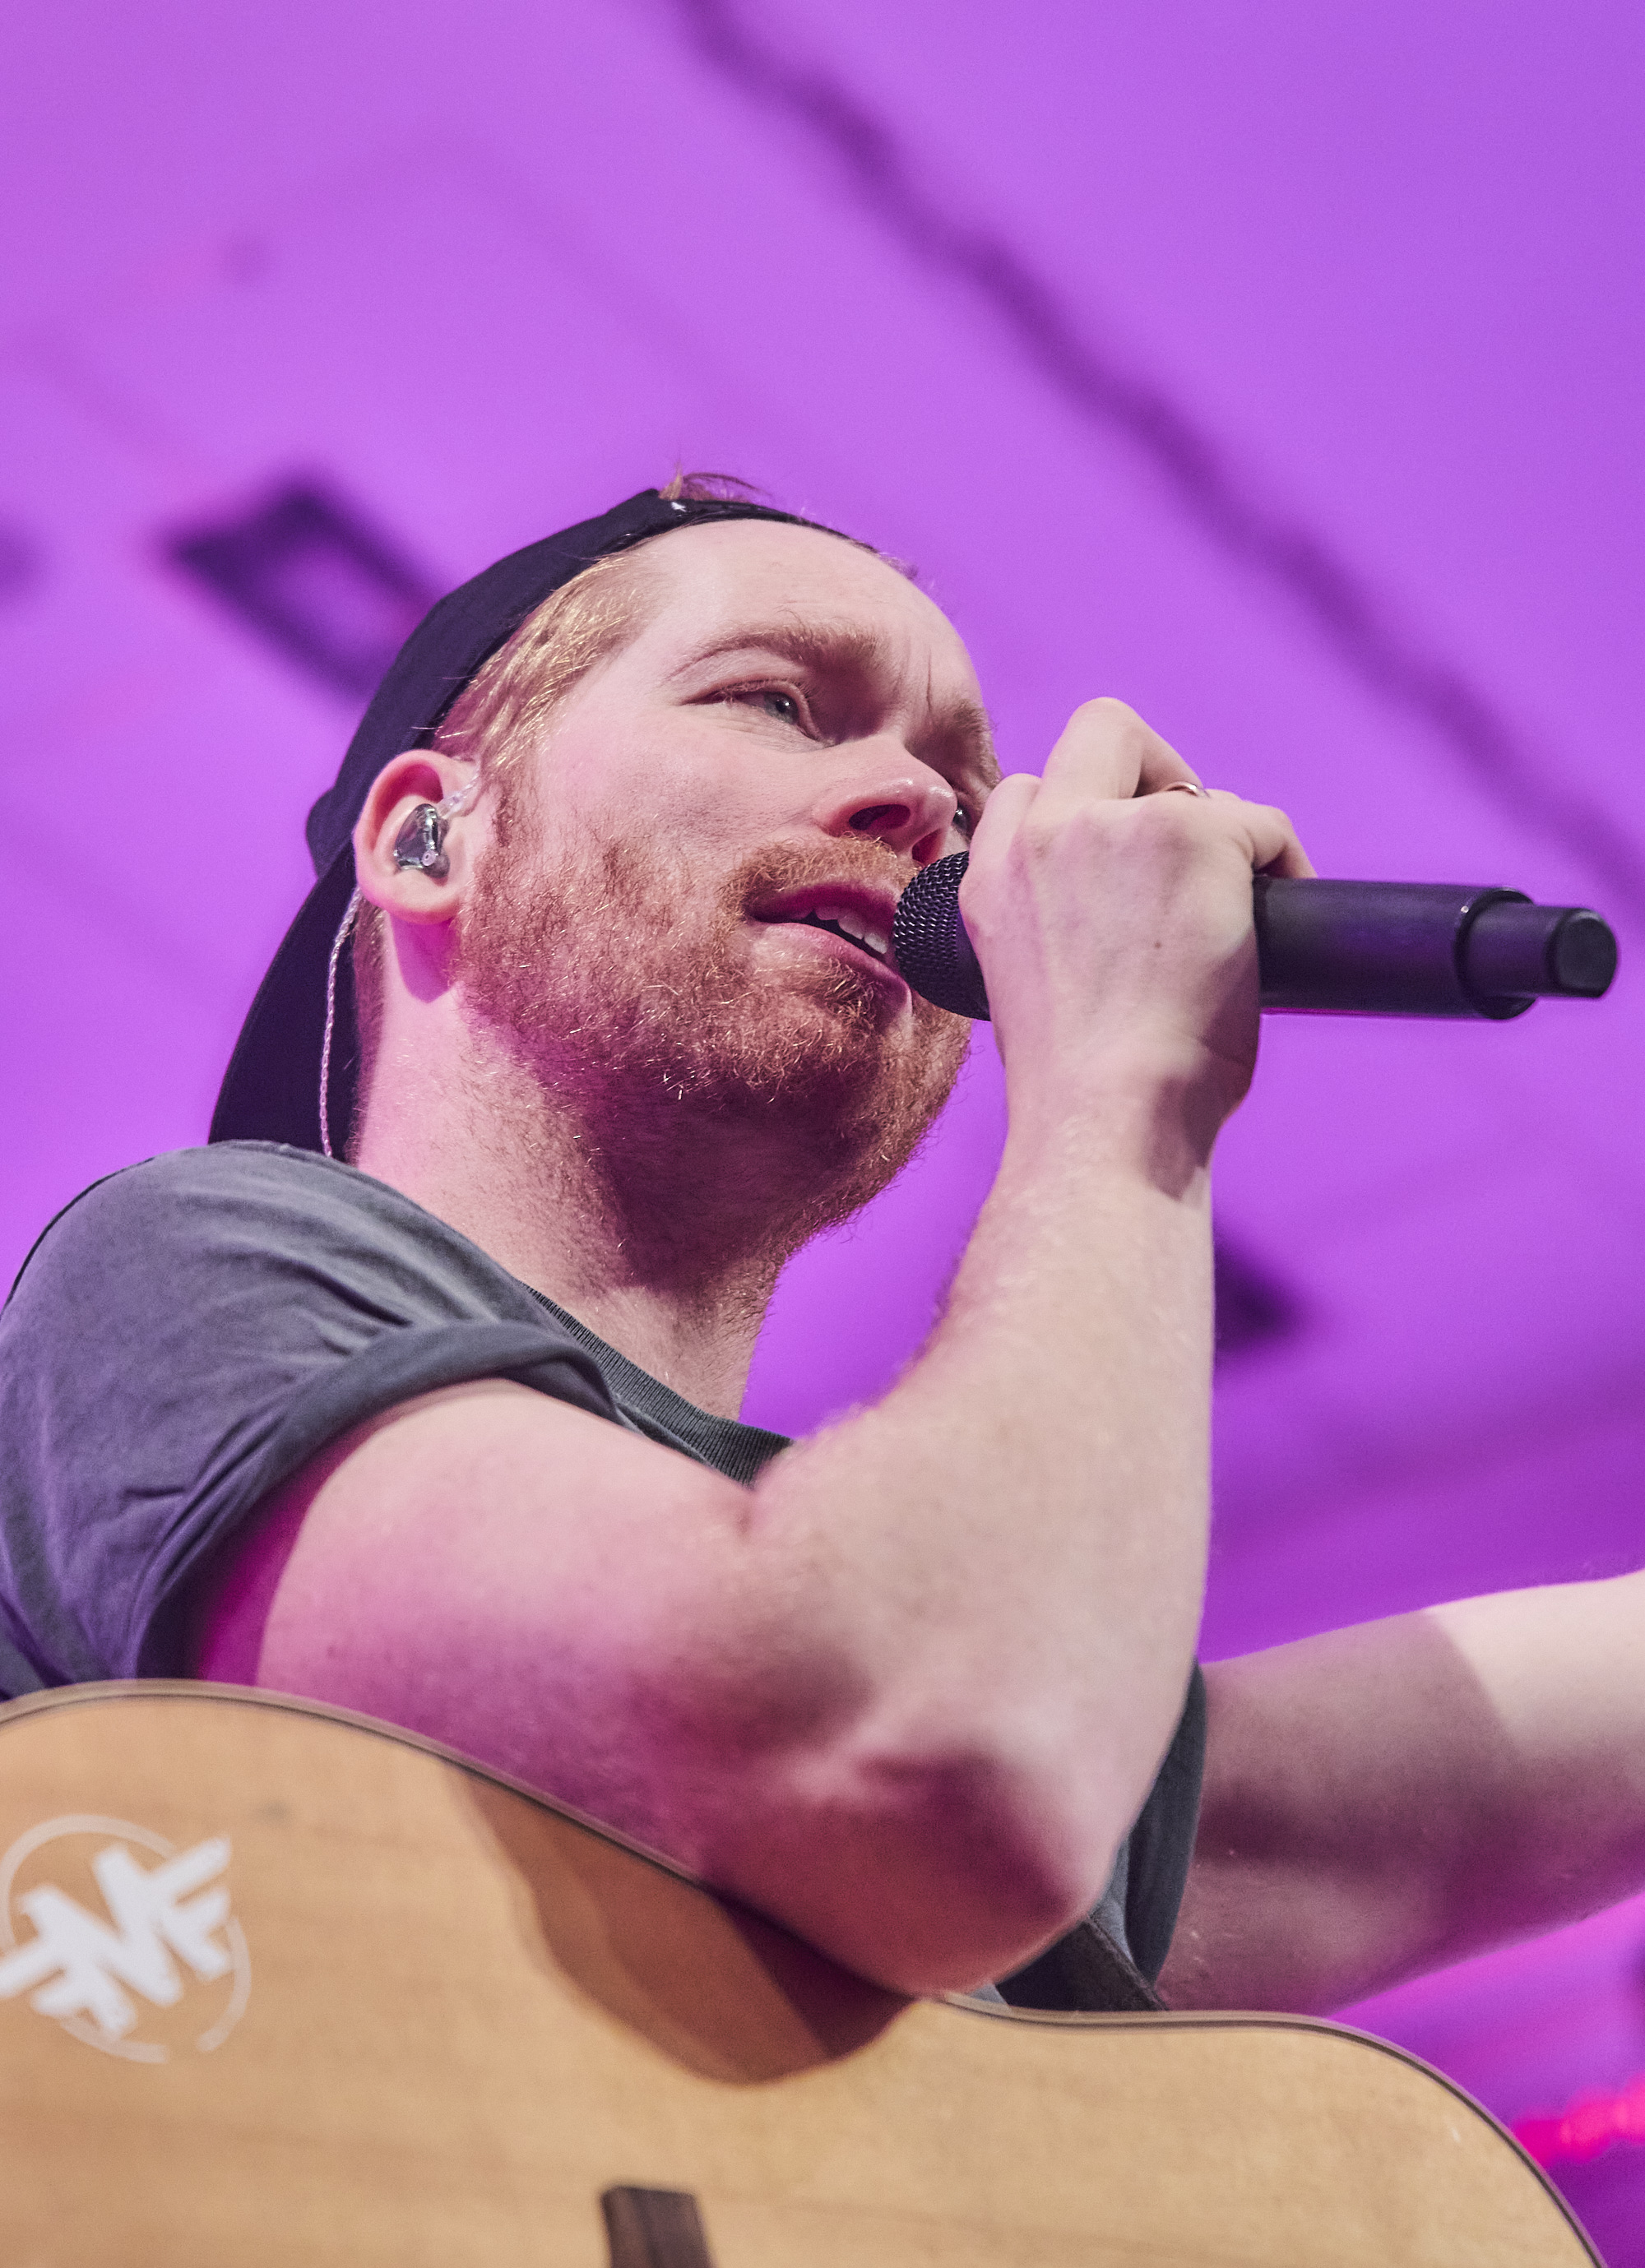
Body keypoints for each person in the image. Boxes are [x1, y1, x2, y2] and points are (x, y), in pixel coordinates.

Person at [2, 479, 1641, 2016]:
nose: (927, 807)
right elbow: (909, 1750)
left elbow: (1316, 1828)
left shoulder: (972, 1626)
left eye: (968, 792)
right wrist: (1124, 1081)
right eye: (778, 702)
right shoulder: (183, 1270)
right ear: (431, 835)